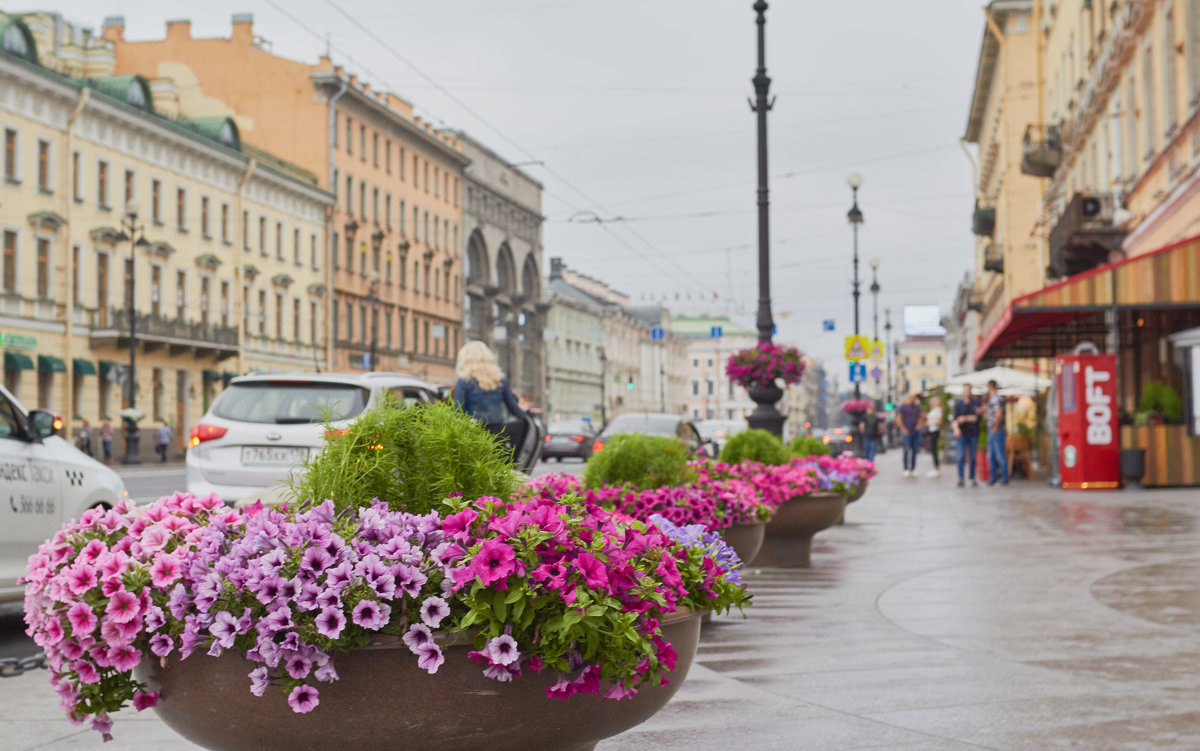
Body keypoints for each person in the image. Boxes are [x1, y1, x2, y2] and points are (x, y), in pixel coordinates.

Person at [451, 341, 527, 450]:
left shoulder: (464, 381)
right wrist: (527, 414)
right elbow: (514, 409)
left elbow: (458, 413)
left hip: (474, 434)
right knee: (498, 465)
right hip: (498, 433)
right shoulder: (500, 380)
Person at [953, 385, 983, 487]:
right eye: (966, 391)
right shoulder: (958, 404)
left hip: (973, 433)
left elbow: (976, 418)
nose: (967, 393)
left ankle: (972, 477)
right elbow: (955, 420)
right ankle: (961, 478)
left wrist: (964, 418)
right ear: (963, 392)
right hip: (961, 434)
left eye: (969, 391)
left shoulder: (976, 403)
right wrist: (956, 429)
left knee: (973, 457)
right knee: (960, 456)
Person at [985, 379, 1009, 486]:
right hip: (994, 431)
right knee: (993, 456)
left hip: (997, 432)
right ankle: (994, 478)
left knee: (999, 455)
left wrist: (995, 427)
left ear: (990, 387)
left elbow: (998, 414)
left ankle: (1003, 478)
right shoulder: (995, 399)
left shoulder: (995, 399)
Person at [897, 394, 923, 477]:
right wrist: (903, 429)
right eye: (912, 398)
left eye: (914, 398)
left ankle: (913, 468)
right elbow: (899, 418)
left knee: (915, 450)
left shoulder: (916, 407)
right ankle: (905, 468)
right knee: (906, 450)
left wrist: (919, 424)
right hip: (906, 432)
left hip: (914, 432)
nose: (913, 399)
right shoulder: (903, 407)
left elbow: (921, 416)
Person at [925, 396, 943, 478]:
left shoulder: (938, 410)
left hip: (935, 431)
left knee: (934, 450)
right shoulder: (934, 410)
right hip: (932, 431)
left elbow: (939, 422)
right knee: (933, 450)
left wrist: (930, 423)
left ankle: (936, 468)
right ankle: (935, 467)